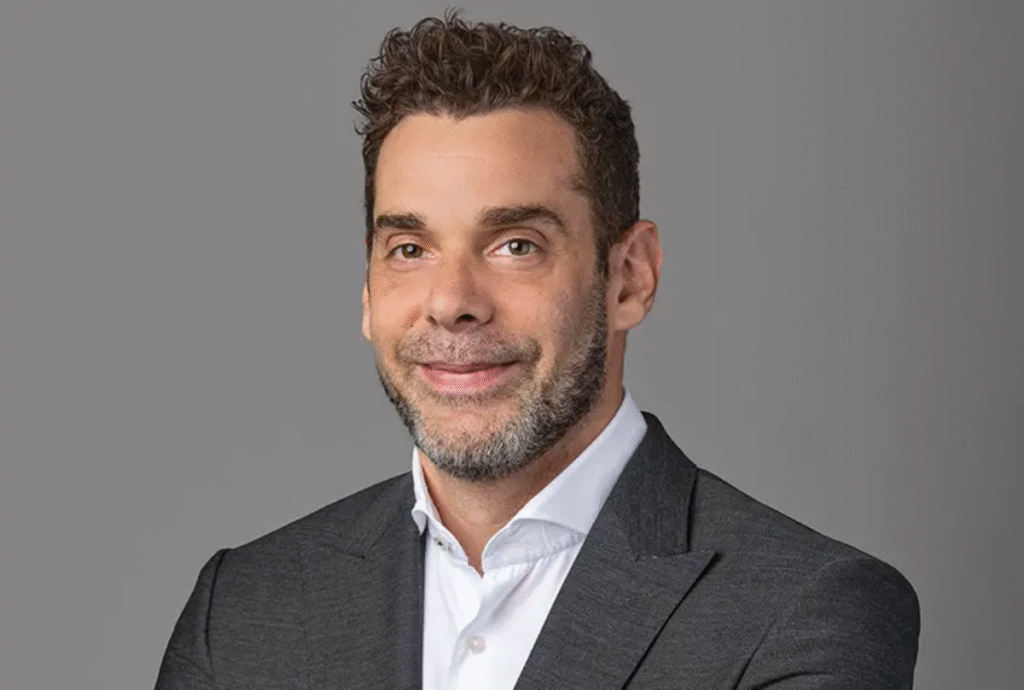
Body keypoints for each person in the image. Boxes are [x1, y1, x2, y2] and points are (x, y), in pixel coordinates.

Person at [157, 12, 919, 689]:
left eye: (515, 244)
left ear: (630, 277)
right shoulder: (244, 609)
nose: (452, 300)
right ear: (366, 290)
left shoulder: (803, 613)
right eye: (410, 248)